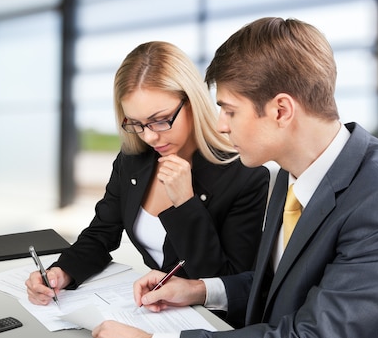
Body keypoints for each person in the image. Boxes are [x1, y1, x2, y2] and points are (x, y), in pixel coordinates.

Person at [92, 17, 378, 338]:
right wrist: (199, 290)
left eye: (229, 110)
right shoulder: (292, 176)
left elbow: (315, 333)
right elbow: (283, 286)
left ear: (281, 110)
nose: (220, 124)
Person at [26, 41, 269, 305]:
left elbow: (227, 281)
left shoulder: (245, 176)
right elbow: (101, 233)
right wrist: (62, 272)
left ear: (192, 102)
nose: (151, 136)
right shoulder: (134, 160)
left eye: (160, 119)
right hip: (152, 309)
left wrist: (186, 204)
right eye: (137, 124)